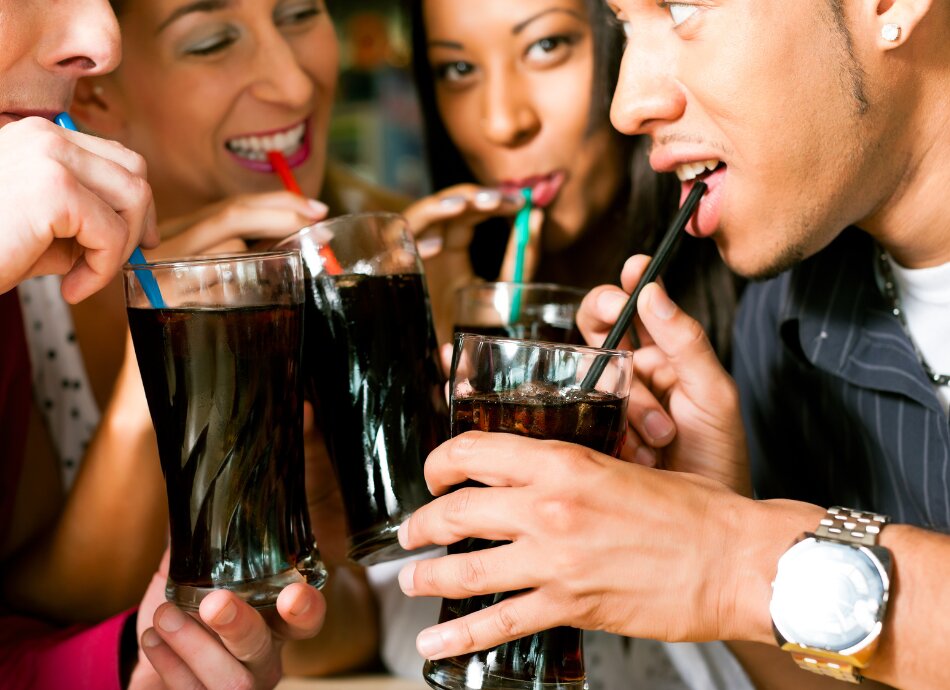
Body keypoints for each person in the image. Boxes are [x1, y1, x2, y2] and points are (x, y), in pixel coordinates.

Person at [393, 0, 950, 688]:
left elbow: (737, 564)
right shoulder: (783, 320)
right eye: (626, 23)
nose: (627, 105)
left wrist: (737, 558)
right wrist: (717, 527)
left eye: (683, 7)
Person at [3, 0, 391, 678]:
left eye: (301, 12)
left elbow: (357, 619)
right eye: (212, 42)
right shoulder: (20, 299)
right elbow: (33, 607)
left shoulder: (376, 268)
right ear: (93, 97)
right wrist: (154, 371)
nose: (295, 86)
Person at [369, 2, 750, 689]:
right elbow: (370, 624)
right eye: (457, 68)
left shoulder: (753, 297)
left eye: (546, 47)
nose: (502, 121)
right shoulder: (465, 312)